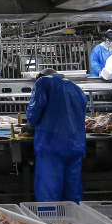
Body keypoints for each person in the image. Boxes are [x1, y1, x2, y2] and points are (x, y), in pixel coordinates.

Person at [26, 68, 88, 203]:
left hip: (51, 144)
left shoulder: (43, 82)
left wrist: (30, 124)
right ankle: (73, 216)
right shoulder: (76, 87)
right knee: (73, 192)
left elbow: (35, 109)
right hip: (76, 145)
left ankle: (49, 216)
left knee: (49, 192)